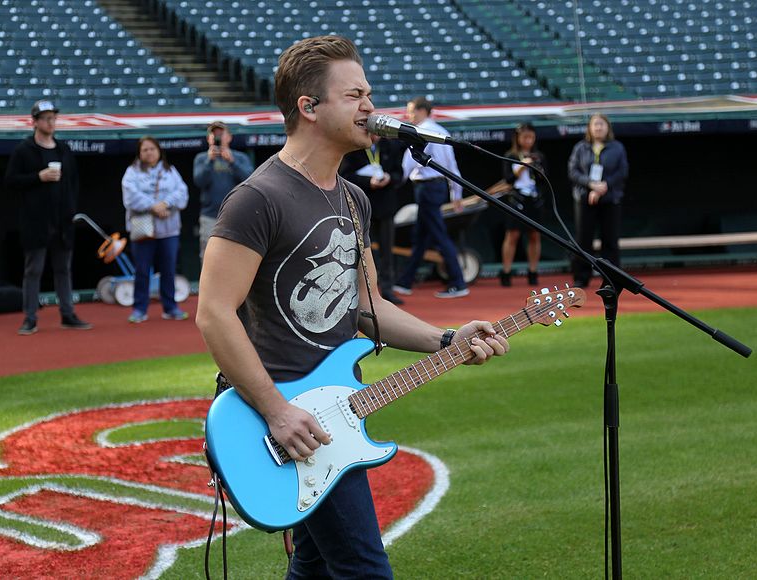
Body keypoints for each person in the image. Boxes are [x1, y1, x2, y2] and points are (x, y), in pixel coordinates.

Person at [195, 35, 508, 579]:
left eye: (370, 94)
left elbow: (367, 307)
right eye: (355, 95)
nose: (371, 108)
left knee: (315, 568)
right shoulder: (256, 199)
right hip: (283, 418)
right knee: (364, 569)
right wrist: (275, 409)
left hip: (332, 411)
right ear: (308, 107)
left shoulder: (352, 198)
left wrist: (447, 339)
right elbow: (214, 312)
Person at [4, 100, 92, 335]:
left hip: (62, 222)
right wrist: (38, 177)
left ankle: (67, 314)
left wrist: (71, 210)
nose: (50, 122)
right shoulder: (24, 150)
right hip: (36, 223)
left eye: (53, 117)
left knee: (63, 269)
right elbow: (11, 181)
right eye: (45, 118)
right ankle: (30, 318)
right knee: (33, 270)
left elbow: (73, 182)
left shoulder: (63, 149)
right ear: (34, 122)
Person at [392, 97, 470, 299]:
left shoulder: (419, 132)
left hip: (427, 189)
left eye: (411, 111)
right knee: (421, 237)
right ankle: (405, 281)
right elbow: (452, 167)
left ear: (422, 111)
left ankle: (458, 282)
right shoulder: (442, 131)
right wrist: (456, 194)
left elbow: (407, 165)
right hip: (436, 187)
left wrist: (392, 181)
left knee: (439, 235)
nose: (409, 115)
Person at [121, 137, 189, 323]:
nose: (149, 152)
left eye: (152, 149)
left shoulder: (170, 171)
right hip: (143, 231)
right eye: (145, 150)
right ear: (139, 153)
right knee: (142, 270)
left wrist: (166, 203)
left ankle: (170, 307)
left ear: (159, 151)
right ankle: (139, 309)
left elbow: (182, 193)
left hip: (169, 230)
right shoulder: (132, 172)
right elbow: (130, 198)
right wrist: (154, 206)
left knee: (168, 269)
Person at [339, 135, 405, 304]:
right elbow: (345, 176)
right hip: (361, 208)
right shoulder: (352, 148)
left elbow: (399, 173)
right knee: (362, 252)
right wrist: (368, 181)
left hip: (386, 207)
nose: (375, 137)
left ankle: (387, 289)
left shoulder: (391, 147)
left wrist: (390, 178)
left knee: (386, 251)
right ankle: (364, 292)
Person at [567, 113, 629, 288]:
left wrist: (604, 186)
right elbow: (573, 172)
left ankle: (612, 278)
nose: (598, 128)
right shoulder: (580, 147)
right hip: (585, 199)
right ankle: (581, 277)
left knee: (610, 239)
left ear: (608, 127)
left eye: (602, 124)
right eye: (595, 124)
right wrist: (591, 184)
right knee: (583, 239)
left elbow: (622, 172)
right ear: (589, 128)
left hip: (610, 199)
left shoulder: (617, 147)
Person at [193, 120, 254, 261]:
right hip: (210, 216)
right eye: (215, 134)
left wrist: (232, 162)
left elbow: (250, 180)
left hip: (236, 215)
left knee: (236, 257)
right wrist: (210, 161)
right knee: (209, 257)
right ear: (209, 138)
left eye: (222, 134)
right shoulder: (202, 158)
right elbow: (199, 181)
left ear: (229, 137)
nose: (218, 137)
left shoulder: (240, 157)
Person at [499, 122, 547, 287]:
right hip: (516, 199)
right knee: (512, 235)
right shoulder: (510, 155)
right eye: (525, 137)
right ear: (518, 138)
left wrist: (535, 167)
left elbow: (543, 180)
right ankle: (506, 272)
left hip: (534, 199)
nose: (528, 140)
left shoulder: (539, 156)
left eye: (531, 137)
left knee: (534, 235)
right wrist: (521, 167)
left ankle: (533, 271)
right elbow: (508, 179)